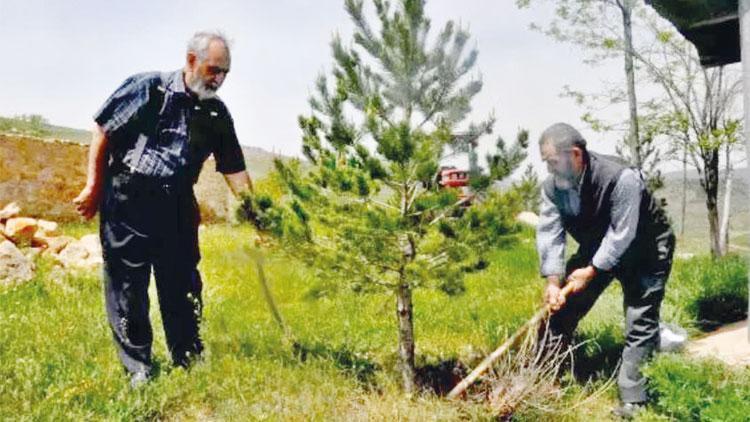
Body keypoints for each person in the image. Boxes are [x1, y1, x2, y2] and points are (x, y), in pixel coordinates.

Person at [73, 31, 252, 387]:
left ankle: (187, 358)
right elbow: (103, 130)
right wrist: (93, 186)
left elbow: (233, 167)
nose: (218, 79)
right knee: (129, 288)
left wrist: (257, 213)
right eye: (213, 69)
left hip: (177, 204)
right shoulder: (147, 88)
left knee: (183, 284)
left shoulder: (216, 112)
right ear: (190, 61)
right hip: (129, 199)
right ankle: (138, 367)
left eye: (224, 73)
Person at [535, 123, 674, 418]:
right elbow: (550, 233)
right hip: (598, 244)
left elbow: (621, 234)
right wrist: (552, 281)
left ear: (575, 154)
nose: (548, 169)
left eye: (551, 161)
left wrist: (592, 270)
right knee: (560, 307)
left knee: (640, 317)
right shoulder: (552, 187)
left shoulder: (621, 178)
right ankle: (543, 379)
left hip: (645, 248)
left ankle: (633, 401)